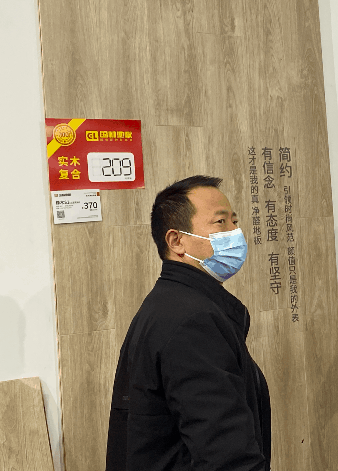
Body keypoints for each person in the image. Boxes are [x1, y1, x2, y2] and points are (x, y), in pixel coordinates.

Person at [106, 175, 271, 471]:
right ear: (176, 241)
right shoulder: (192, 321)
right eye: (220, 222)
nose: (235, 233)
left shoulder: (170, 303)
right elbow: (225, 453)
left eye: (235, 221)